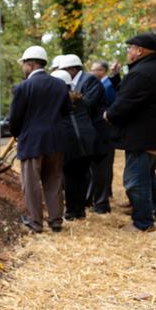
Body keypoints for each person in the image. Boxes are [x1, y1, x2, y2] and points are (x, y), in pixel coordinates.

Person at [104, 32, 156, 231]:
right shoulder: (153, 68)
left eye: (130, 48)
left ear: (139, 50)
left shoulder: (142, 73)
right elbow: (131, 93)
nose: (128, 51)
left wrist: (108, 115)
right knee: (148, 176)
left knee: (134, 181)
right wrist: (116, 77)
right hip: (154, 134)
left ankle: (143, 223)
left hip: (144, 137)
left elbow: (125, 103)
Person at [9, 46, 71, 233]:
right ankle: (56, 220)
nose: (22, 69)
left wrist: (17, 134)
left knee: (31, 182)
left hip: (32, 141)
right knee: (54, 180)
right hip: (56, 140)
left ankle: (35, 221)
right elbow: (67, 112)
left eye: (23, 65)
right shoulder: (60, 85)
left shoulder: (23, 87)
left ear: (31, 64)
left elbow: (15, 118)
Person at [59, 54, 108, 219]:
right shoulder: (74, 89)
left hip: (89, 135)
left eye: (64, 69)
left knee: (87, 174)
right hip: (84, 135)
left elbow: (90, 105)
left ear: (73, 69)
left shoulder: (90, 80)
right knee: (82, 175)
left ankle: (97, 205)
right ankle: (81, 208)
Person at [52, 70, 98, 220]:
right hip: (88, 141)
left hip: (70, 143)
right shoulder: (80, 99)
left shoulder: (56, 102)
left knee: (70, 178)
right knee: (82, 176)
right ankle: (80, 210)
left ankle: (71, 211)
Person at [88, 61, 118, 214]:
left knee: (103, 167)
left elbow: (112, 105)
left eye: (96, 70)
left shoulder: (107, 86)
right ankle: (103, 195)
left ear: (103, 70)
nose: (92, 72)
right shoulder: (102, 84)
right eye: (91, 70)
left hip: (105, 131)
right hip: (103, 132)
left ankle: (102, 199)